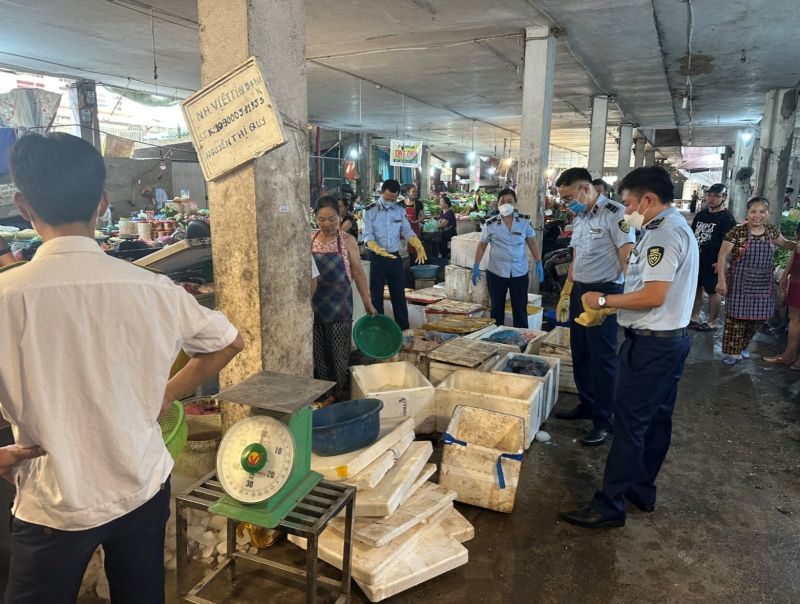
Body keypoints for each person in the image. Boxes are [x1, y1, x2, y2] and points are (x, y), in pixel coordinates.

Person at [0, 132, 243, 601]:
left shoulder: (7, 299)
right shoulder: (153, 288)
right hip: (141, 484)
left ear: (23, 206)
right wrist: (168, 392)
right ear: (104, 203)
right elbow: (229, 343)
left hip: (55, 502)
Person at [560, 166, 698, 529]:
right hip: (670, 342)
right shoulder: (672, 227)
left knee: (629, 426)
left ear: (648, 200)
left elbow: (653, 294)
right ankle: (640, 489)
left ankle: (610, 505)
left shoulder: (662, 234)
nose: (628, 210)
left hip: (652, 347)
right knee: (655, 420)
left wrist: (603, 302)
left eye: (630, 203)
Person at [554, 168, 636, 446]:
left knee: (603, 360)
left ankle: (605, 421)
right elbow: (577, 256)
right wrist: (567, 291)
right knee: (581, 354)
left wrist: (628, 297)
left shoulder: (616, 214)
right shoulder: (579, 217)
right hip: (580, 292)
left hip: (605, 292)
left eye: (568, 196)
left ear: (585, 189)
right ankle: (587, 404)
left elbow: (628, 257)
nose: (566, 203)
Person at [716, 197, 796, 365]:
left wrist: (796, 245)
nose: (757, 216)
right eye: (753, 211)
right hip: (739, 282)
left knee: (757, 318)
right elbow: (722, 256)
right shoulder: (737, 232)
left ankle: (743, 346)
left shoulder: (772, 231)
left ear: (767, 214)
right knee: (735, 319)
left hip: (763, 283)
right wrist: (721, 281)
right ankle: (732, 352)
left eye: (762, 212)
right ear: (748, 213)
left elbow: (785, 244)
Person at [312, 196, 376, 401]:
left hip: (340, 302)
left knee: (339, 354)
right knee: (318, 354)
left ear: (340, 218)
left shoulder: (347, 241)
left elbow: (358, 273)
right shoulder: (310, 240)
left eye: (331, 218)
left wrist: (367, 301)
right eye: (321, 219)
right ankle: (324, 397)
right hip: (315, 303)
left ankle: (340, 395)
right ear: (315, 219)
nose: (326, 224)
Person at [472, 188, 543, 328]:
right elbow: (482, 245)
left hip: (519, 272)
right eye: (502, 201)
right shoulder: (490, 224)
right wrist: (476, 265)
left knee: (520, 309)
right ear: (497, 204)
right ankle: (496, 338)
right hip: (496, 272)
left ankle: (522, 341)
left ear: (515, 203)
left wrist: (539, 262)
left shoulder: (524, 222)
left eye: (509, 201)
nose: (506, 204)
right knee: (497, 309)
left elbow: (532, 241)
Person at [362, 179, 427, 330]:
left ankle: (403, 331)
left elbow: (407, 230)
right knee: (376, 296)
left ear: (398, 196)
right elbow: (367, 235)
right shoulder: (369, 210)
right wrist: (376, 248)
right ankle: (378, 329)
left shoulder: (399, 210)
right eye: (387, 198)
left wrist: (417, 244)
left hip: (394, 256)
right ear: (381, 193)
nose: (390, 202)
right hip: (376, 258)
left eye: (393, 199)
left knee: (399, 294)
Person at [688, 183, 737, 332]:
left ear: (724, 198)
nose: (712, 199)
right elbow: (692, 234)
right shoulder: (701, 215)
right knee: (697, 288)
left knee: (713, 291)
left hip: (714, 262)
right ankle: (694, 317)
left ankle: (711, 322)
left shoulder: (727, 218)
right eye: (709, 195)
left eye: (717, 196)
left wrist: (722, 262)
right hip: (697, 259)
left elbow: (732, 242)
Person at [764, 238, 800, 368]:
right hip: (797, 276)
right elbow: (795, 251)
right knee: (794, 318)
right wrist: (785, 275)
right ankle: (789, 355)